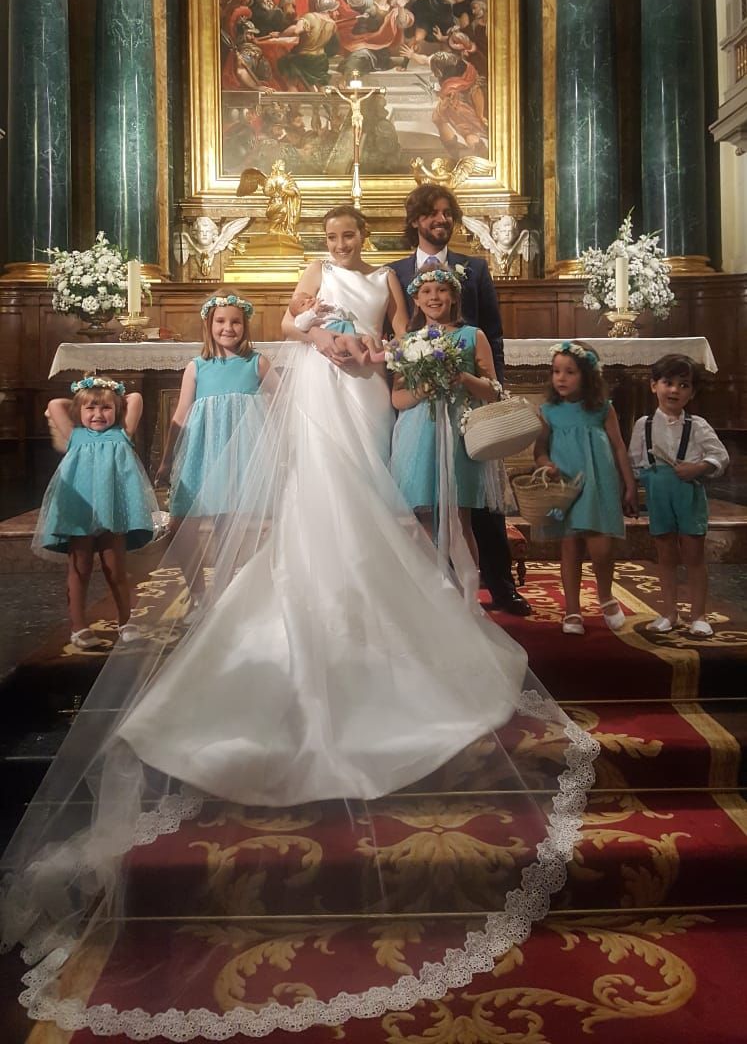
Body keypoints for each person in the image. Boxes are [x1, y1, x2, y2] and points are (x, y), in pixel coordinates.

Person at [0, 209, 599, 1039]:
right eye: (335, 238)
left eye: (351, 237)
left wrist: (375, 353)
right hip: (323, 386)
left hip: (365, 389)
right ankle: (322, 580)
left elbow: (397, 335)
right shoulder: (316, 274)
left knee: (375, 487)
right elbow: (287, 323)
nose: (343, 247)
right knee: (327, 488)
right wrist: (323, 339)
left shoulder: (386, 279)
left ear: (364, 238)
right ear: (326, 241)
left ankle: (371, 591)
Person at [389, 183, 532, 615]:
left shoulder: (475, 269)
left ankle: (496, 587)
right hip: (419, 421)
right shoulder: (394, 273)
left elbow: (493, 335)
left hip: (465, 417)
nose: (442, 220)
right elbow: (394, 352)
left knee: (474, 511)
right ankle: (429, 596)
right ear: (415, 220)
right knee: (422, 510)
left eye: (448, 213)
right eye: (432, 213)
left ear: (452, 293)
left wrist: (491, 394)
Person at [390, 265, 511, 570]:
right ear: (416, 300)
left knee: (459, 517)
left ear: (454, 297)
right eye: (426, 291)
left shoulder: (472, 336)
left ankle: (466, 590)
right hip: (419, 435)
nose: (434, 297)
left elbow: (493, 390)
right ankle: (432, 589)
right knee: (424, 516)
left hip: (458, 434)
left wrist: (464, 378)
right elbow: (397, 397)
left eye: (442, 290)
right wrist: (423, 390)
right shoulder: (409, 341)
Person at [35, 375, 157, 648]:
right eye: (90, 408)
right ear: (78, 410)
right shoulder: (74, 435)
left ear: (117, 409)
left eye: (106, 408)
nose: (98, 414)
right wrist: (87, 392)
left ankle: (126, 620)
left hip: (112, 513)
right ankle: (78, 627)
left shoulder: (123, 432)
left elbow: (135, 398)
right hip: (80, 510)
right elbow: (55, 404)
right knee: (80, 568)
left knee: (116, 568)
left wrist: (108, 392)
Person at [534, 341, 638, 636]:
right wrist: (546, 464)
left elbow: (619, 447)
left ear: (588, 375)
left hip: (598, 483)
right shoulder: (549, 411)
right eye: (556, 371)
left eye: (570, 372)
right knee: (570, 546)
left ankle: (605, 596)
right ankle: (572, 610)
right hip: (566, 486)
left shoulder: (602, 409)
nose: (561, 378)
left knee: (601, 548)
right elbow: (539, 449)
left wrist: (630, 484)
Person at [629, 354, 729, 637]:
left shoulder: (697, 425)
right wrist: (634, 488)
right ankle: (669, 613)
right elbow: (634, 461)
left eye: (683, 385)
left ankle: (698, 615)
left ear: (692, 392)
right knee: (665, 555)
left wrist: (698, 467)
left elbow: (720, 456)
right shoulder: (644, 424)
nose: (674, 390)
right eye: (668, 383)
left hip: (688, 494)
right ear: (654, 385)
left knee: (694, 555)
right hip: (659, 496)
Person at [156, 294, 270, 528]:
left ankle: (225, 554)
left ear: (245, 325)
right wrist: (167, 461)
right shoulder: (196, 366)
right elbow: (181, 415)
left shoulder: (257, 363)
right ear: (208, 324)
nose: (228, 327)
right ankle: (187, 555)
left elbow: (282, 401)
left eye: (235, 322)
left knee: (228, 523)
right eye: (220, 321)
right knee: (182, 520)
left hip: (241, 457)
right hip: (202, 455)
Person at [288, 287, 384, 365]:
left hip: (345, 329)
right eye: (303, 304)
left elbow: (341, 313)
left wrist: (329, 308)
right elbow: (302, 325)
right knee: (349, 340)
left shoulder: (323, 310)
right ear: (298, 314)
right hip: (333, 335)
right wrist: (314, 311)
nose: (308, 300)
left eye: (309, 297)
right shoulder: (301, 319)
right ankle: (360, 358)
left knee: (367, 338)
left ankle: (374, 355)